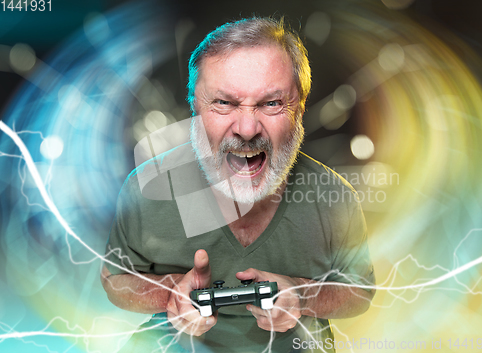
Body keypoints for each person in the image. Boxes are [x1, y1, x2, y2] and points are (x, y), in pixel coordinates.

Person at [101, 17, 375, 352]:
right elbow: (115, 280)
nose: (247, 129)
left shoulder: (333, 196)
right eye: (224, 103)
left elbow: (359, 293)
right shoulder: (148, 187)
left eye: (271, 103)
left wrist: (302, 295)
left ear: (299, 110)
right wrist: (170, 292)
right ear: (196, 107)